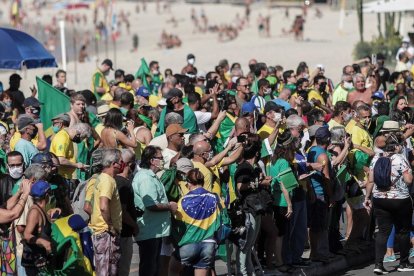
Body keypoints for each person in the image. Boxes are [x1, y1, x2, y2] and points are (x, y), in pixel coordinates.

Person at [364, 134, 414, 274]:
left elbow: (371, 179)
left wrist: (367, 197)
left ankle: (378, 265)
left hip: (379, 199)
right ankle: (403, 263)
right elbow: (409, 180)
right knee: (403, 231)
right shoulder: (400, 159)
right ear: (396, 146)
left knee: (383, 231)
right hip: (400, 199)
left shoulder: (376, 158)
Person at [133, 146, 176, 276]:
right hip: (149, 231)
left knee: (154, 266)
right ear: (152, 160)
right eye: (160, 158)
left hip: (155, 231)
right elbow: (150, 204)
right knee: (149, 267)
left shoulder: (152, 176)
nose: (163, 161)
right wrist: (169, 206)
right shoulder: (146, 178)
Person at [234, 133, 272, 275]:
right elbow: (240, 187)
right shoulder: (244, 167)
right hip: (247, 211)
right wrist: (259, 182)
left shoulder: (253, 168)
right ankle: (242, 273)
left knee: (249, 246)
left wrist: (261, 180)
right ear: (257, 152)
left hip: (255, 210)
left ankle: (250, 273)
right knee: (245, 246)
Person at [173, 168, 222, 276]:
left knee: (172, 269)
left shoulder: (183, 200)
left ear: (189, 183)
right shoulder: (214, 198)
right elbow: (221, 218)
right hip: (209, 244)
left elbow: (178, 222)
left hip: (189, 243)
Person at [89, 148, 123, 276]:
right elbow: (103, 206)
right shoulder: (108, 180)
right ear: (113, 164)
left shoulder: (102, 178)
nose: (122, 165)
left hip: (101, 233)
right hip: (105, 234)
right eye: (120, 162)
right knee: (107, 272)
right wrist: (110, 226)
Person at [22, 180, 60, 276]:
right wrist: (43, 242)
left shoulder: (41, 209)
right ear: (47, 195)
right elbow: (26, 235)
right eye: (51, 193)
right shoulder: (35, 211)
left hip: (42, 262)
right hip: (34, 263)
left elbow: (42, 227)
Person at [306, 127, 332, 263]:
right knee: (320, 226)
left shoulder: (312, 150)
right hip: (320, 193)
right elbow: (326, 177)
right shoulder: (322, 155)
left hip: (313, 191)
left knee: (315, 225)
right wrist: (330, 196)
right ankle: (317, 253)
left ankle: (315, 252)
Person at [115, 149, 139, 276]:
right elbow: (123, 212)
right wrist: (135, 226)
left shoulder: (112, 180)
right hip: (124, 233)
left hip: (117, 232)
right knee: (123, 269)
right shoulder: (124, 184)